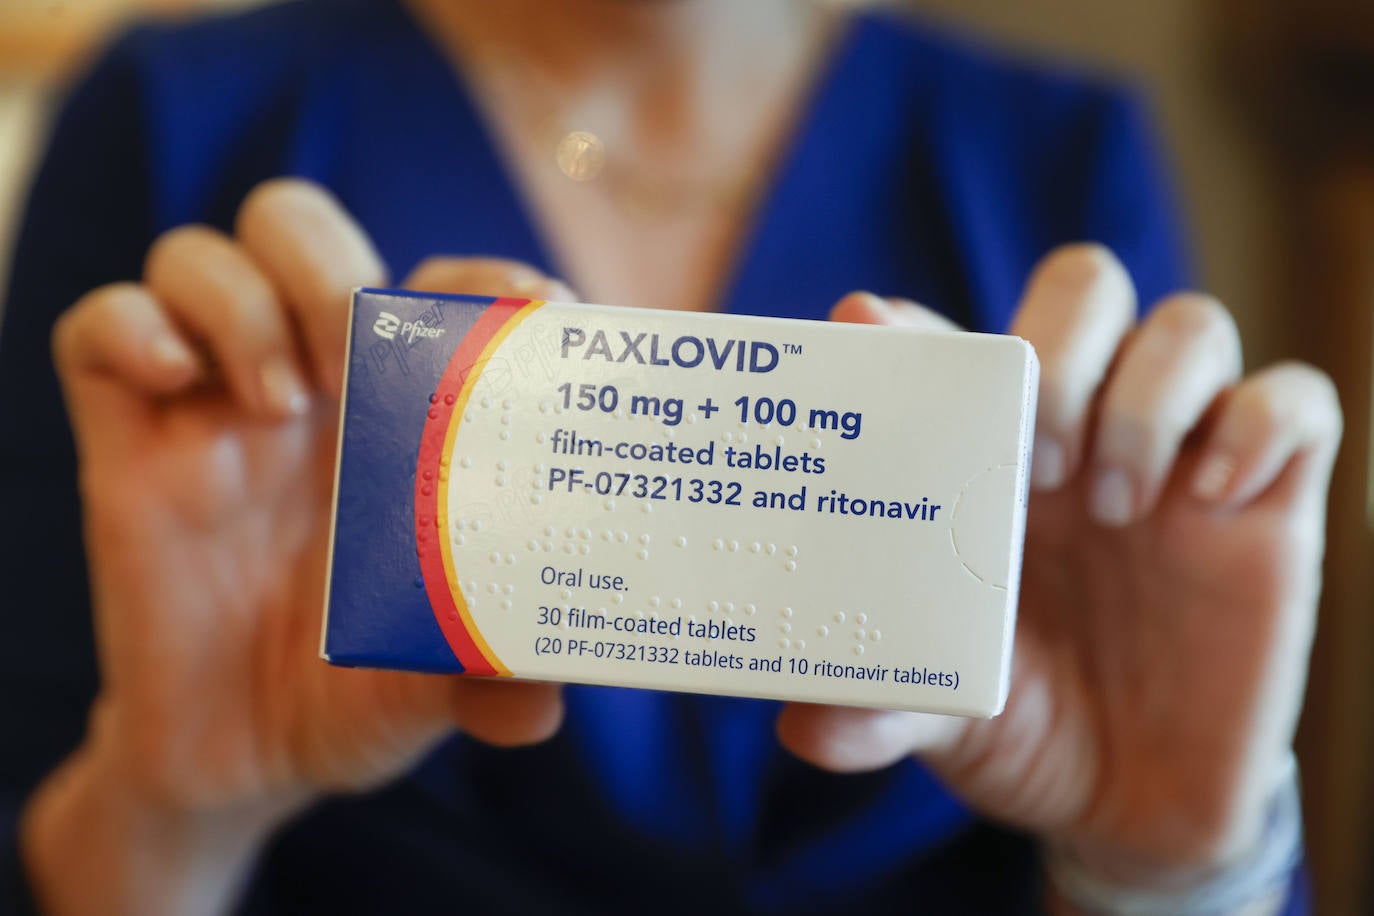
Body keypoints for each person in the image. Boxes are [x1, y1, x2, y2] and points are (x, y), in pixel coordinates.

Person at [0, 0, 1342, 912]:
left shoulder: (1055, 154)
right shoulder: (177, 117)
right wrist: (173, 813)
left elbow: (1153, 842)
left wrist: (1167, 871)